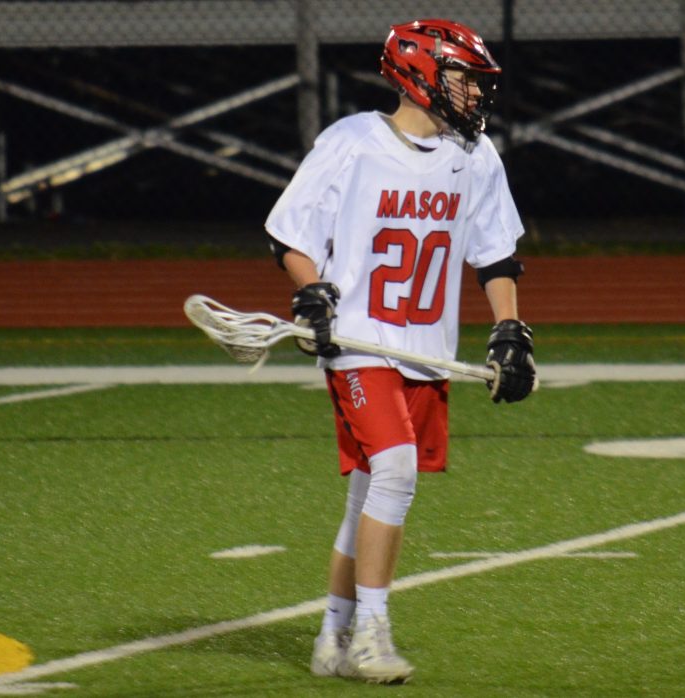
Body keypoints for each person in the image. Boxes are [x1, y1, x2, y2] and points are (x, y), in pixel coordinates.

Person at [264, 18, 537, 684]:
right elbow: (291, 235)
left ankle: (330, 634)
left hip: (426, 349)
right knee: (395, 470)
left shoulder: (474, 157)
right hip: (360, 343)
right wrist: (313, 293)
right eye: (463, 78)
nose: (474, 93)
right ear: (420, 75)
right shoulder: (352, 142)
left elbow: (497, 253)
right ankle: (370, 635)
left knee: (367, 496)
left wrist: (509, 329)